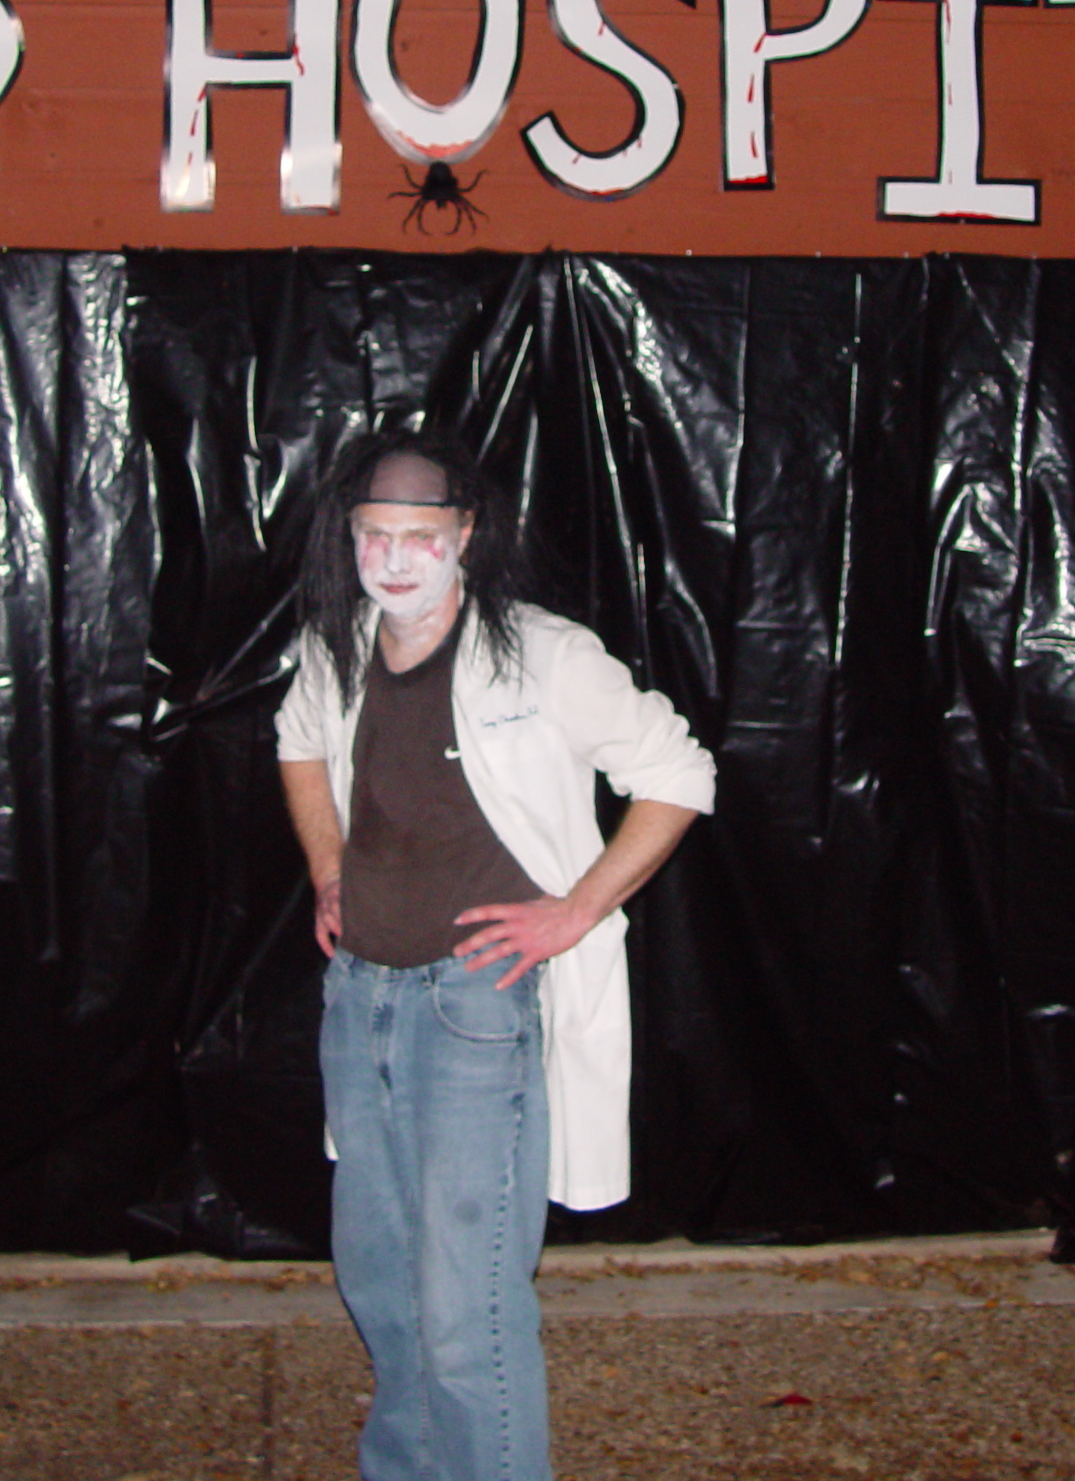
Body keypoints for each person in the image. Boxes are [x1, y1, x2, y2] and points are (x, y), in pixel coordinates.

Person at [276, 429, 715, 1481]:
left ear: (466, 535)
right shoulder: (337, 645)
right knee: (382, 1283)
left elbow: (679, 774)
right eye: (375, 535)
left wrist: (575, 911)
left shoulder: (543, 654)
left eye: (419, 537)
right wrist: (329, 869)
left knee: (462, 1307)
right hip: (361, 1000)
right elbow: (298, 742)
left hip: (475, 1009)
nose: (394, 560)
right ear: (349, 537)